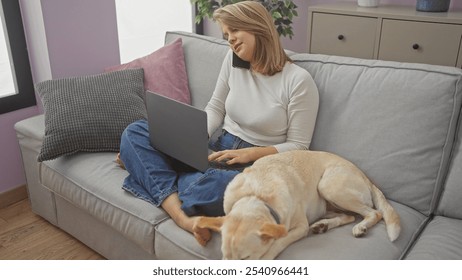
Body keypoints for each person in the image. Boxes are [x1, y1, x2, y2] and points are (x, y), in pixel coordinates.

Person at [118, 0, 319, 246]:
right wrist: (192, 139)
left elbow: (299, 146)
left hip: (256, 166)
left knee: (206, 187)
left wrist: (250, 153)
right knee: (135, 131)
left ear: (256, 26)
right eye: (226, 35)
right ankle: (184, 215)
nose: (230, 40)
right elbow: (215, 107)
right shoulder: (233, 60)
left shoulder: (298, 81)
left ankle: (152, 173)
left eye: (234, 31)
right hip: (216, 147)